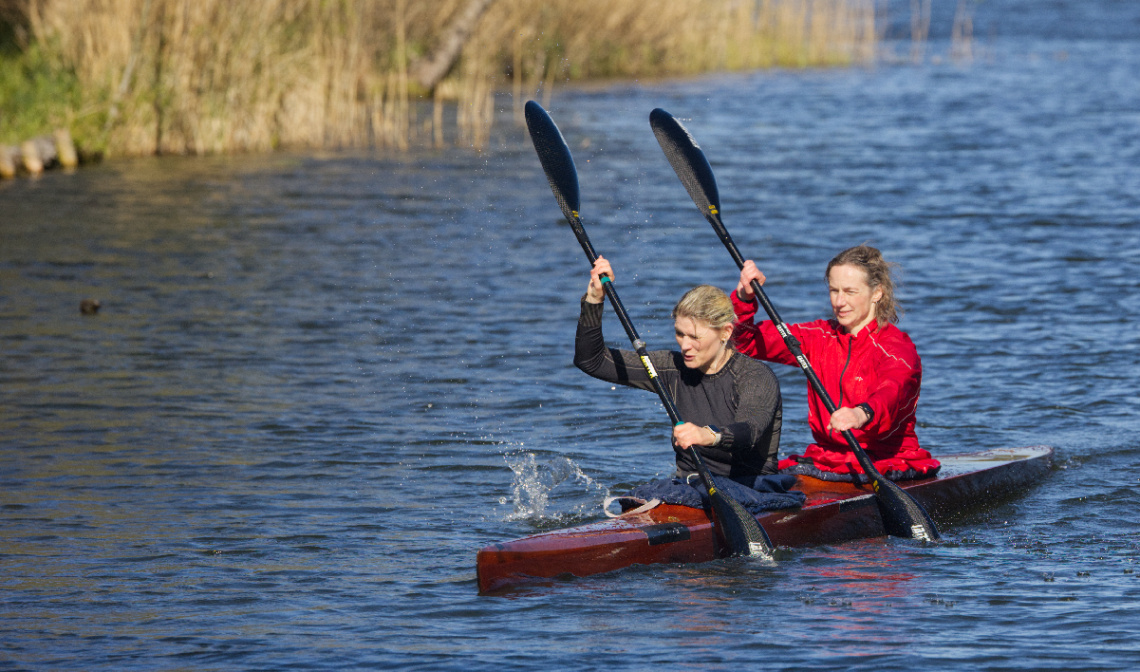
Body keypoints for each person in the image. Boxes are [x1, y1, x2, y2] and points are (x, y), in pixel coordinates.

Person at [731, 245, 940, 482]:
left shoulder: (895, 348)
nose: (840, 302)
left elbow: (893, 389)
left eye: (850, 292)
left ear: (877, 293)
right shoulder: (817, 336)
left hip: (887, 460)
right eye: (834, 290)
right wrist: (744, 299)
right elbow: (745, 342)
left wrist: (861, 413)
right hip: (827, 459)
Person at [575, 257, 782, 479]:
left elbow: (749, 431)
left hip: (752, 485)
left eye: (694, 336)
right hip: (689, 483)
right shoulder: (671, 368)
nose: (685, 346)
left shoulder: (755, 377)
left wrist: (707, 435)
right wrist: (594, 300)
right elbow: (592, 361)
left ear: (726, 332)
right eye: (679, 334)